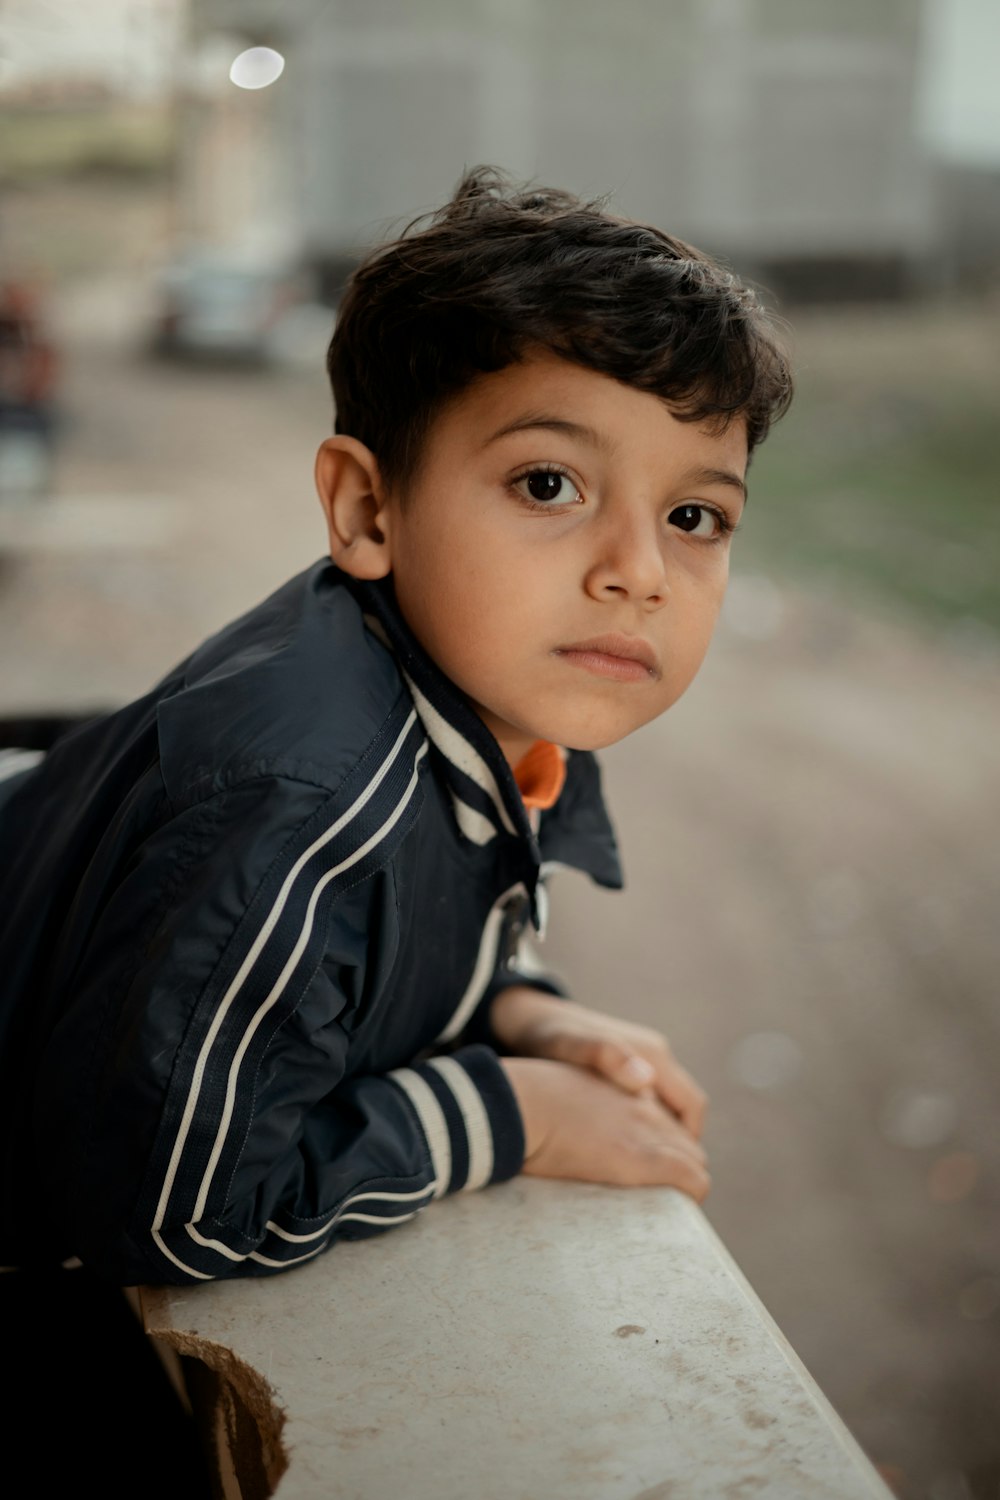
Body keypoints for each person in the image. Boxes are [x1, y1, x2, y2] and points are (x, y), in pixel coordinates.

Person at [0, 167, 792, 1286]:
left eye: (694, 515)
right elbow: (171, 1205)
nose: (637, 572)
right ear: (368, 510)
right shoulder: (304, 803)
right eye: (550, 484)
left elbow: (374, 954)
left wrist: (520, 1013)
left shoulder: (463, 698)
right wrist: (506, 1110)